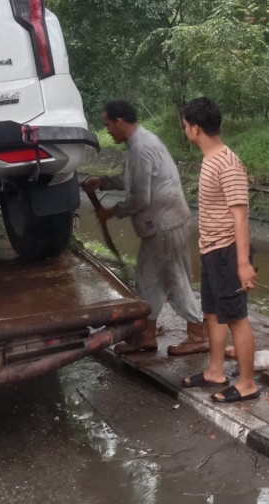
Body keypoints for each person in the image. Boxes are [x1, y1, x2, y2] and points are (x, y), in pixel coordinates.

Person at [82, 99, 209, 356]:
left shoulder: (140, 147)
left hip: (165, 225)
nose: (107, 131)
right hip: (162, 225)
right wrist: (104, 182)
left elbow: (140, 197)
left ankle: (198, 335)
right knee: (148, 281)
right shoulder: (140, 143)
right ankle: (146, 335)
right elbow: (134, 181)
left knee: (174, 280)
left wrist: (112, 212)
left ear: (120, 121)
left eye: (108, 125)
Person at [179, 97, 259, 403]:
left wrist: (242, 263)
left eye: (186, 125)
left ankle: (248, 383)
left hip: (228, 252)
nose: (185, 129)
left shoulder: (228, 163)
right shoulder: (210, 159)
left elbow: (240, 215)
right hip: (211, 249)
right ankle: (215, 371)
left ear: (195, 128)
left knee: (236, 317)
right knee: (212, 313)